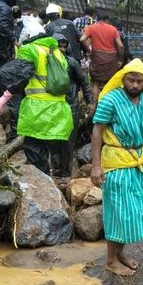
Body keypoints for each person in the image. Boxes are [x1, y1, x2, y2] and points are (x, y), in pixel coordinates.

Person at [90, 58, 143, 276]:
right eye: (131, 80)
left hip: (139, 160)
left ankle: (121, 253)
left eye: (139, 81)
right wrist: (96, 166)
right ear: (123, 79)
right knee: (118, 211)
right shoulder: (111, 100)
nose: (134, 85)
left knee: (137, 210)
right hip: (116, 160)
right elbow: (97, 131)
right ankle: (111, 260)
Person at [0, 31, 73, 174]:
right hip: (59, 111)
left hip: (37, 110)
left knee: (34, 148)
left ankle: (41, 181)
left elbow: (21, 75)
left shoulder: (31, 50)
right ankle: (58, 175)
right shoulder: (58, 54)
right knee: (52, 146)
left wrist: (6, 95)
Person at [53, 33, 94, 178]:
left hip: (71, 106)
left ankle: (65, 171)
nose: (62, 49)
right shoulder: (47, 64)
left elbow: (84, 83)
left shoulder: (72, 63)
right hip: (53, 107)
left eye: (64, 46)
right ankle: (56, 168)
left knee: (69, 140)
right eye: (59, 46)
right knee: (54, 139)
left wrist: (90, 102)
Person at [80, 13, 123, 102]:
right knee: (109, 83)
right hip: (111, 59)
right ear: (107, 20)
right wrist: (120, 59)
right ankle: (107, 105)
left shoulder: (91, 28)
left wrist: (89, 51)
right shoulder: (113, 29)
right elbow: (120, 45)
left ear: (98, 19)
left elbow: (82, 39)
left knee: (95, 83)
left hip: (97, 57)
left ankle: (94, 106)